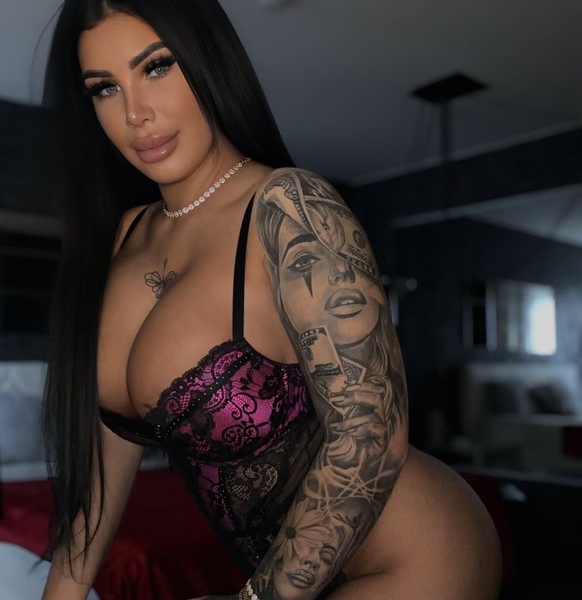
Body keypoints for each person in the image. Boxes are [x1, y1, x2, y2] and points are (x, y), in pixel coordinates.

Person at [40, 1, 502, 599]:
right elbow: (102, 474)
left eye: (156, 67)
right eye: (105, 88)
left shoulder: (290, 206)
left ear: (207, 60)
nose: (135, 113)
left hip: (413, 562)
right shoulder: (122, 238)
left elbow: (370, 432)